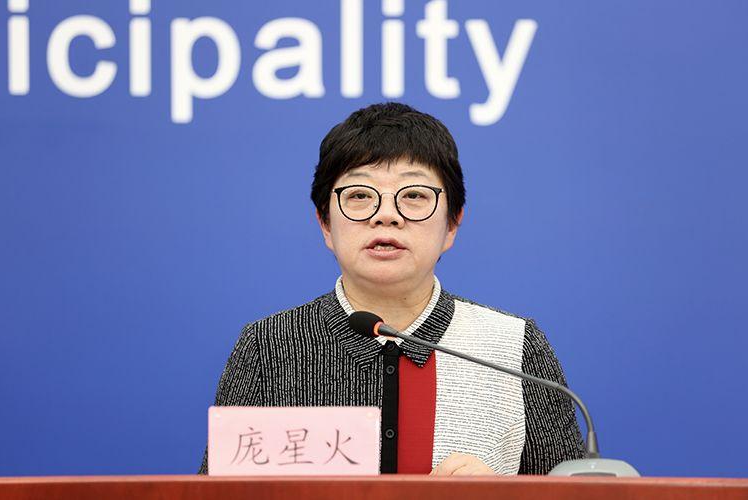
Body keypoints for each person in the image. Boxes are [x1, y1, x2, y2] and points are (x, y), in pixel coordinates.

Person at [198, 102, 584, 475]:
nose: (386, 216)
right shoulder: (268, 346)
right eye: (359, 196)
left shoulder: (513, 348)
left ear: (452, 224)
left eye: (414, 196)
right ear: (325, 224)